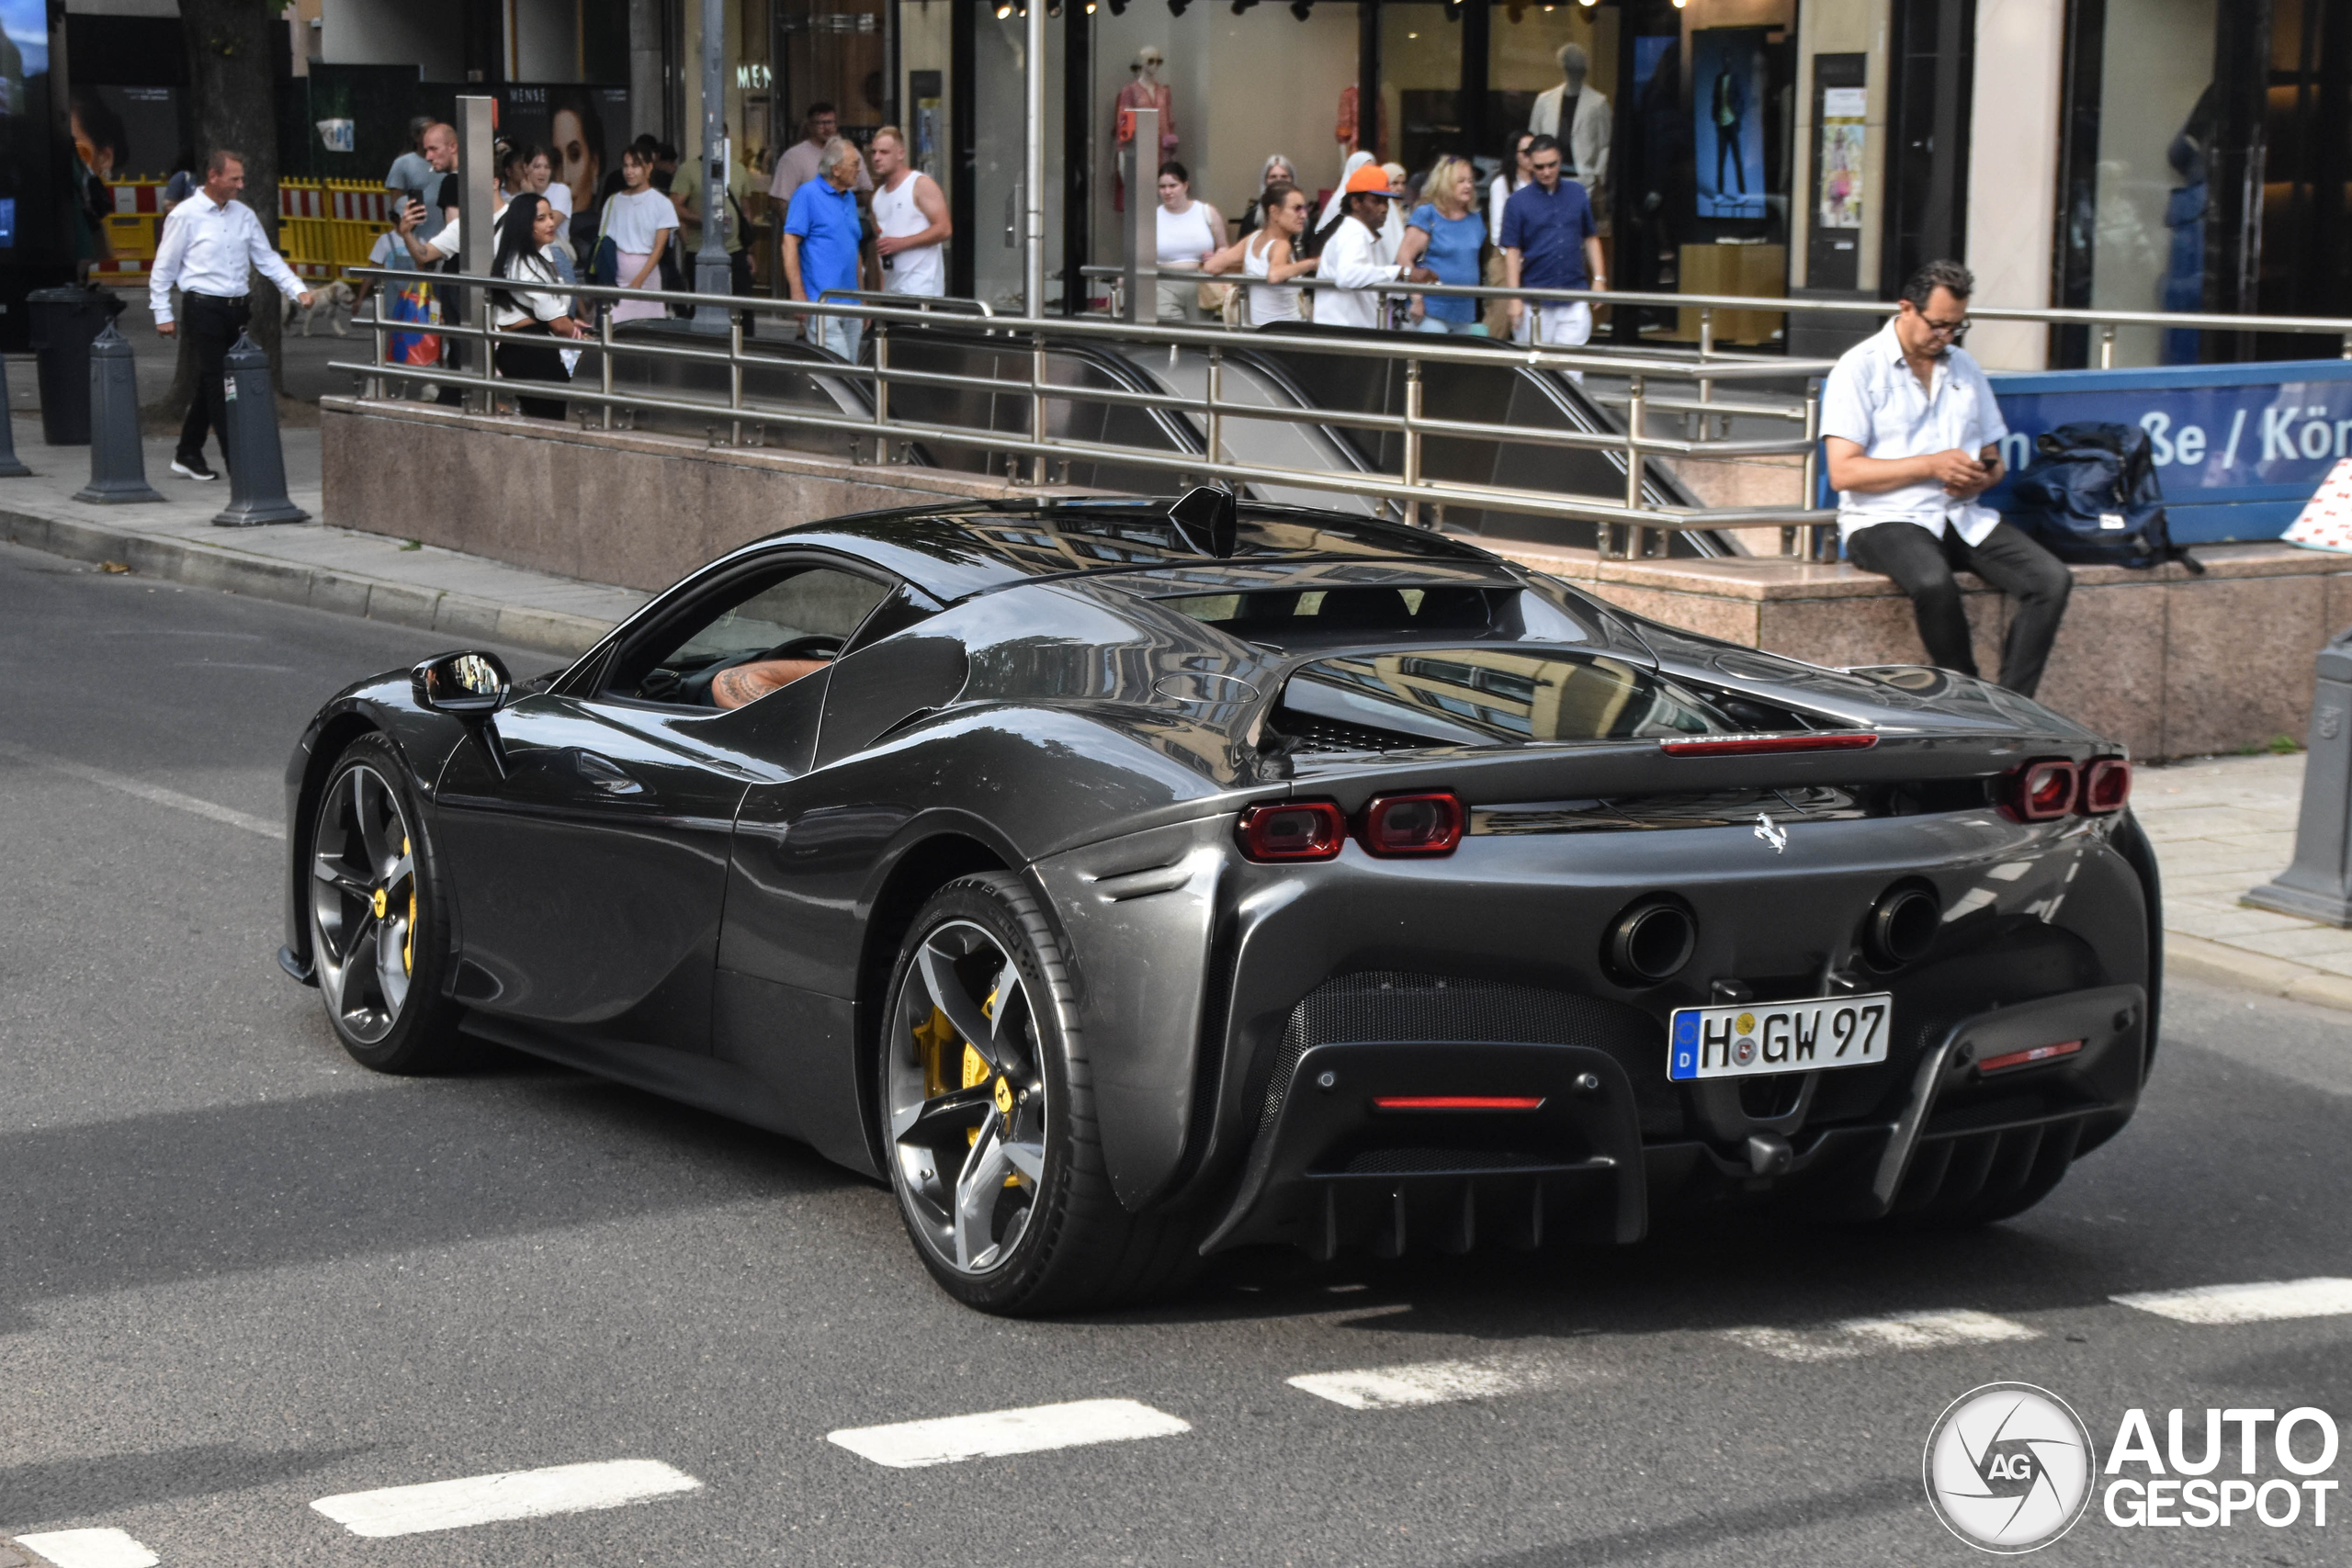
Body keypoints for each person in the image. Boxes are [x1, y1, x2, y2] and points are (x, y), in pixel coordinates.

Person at [1823, 261, 2073, 698]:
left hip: (1959, 513)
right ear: (1906, 309)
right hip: (1882, 518)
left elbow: (1994, 458)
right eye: (1938, 325)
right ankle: (1969, 698)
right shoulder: (1858, 368)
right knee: (1933, 583)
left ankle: (2014, 704)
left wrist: (1981, 476)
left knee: (2051, 580)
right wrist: (1930, 465)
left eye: (1957, 326)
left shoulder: (1963, 367)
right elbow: (1844, 471)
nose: (1947, 336)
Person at [149, 149, 313, 482]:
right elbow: (164, 267)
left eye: (241, 178)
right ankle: (236, 462)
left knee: (214, 381)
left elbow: (266, 258)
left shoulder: (243, 215)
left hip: (236, 307)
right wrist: (161, 311)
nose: (240, 185)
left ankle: (188, 452)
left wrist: (296, 288)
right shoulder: (185, 215)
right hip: (203, 306)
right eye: (234, 178)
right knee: (221, 385)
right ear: (213, 176)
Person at [1499, 134, 1606, 351]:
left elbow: (1591, 238)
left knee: (1571, 369)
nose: (1546, 172)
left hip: (1573, 293)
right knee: (1536, 369)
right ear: (1529, 163)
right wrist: (1514, 298)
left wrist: (1599, 278)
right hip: (1534, 298)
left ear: (1560, 160)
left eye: (1552, 165)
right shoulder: (1517, 202)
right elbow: (1512, 251)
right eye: (1540, 167)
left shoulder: (1577, 193)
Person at [489, 193, 582, 422]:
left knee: (546, 420)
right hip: (531, 353)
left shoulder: (533, 257)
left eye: (550, 216)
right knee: (555, 421)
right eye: (541, 219)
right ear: (524, 223)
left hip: (528, 349)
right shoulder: (524, 264)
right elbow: (559, 324)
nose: (551, 223)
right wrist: (582, 337)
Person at [1316, 162, 1435, 330]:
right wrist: (1403, 272)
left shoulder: (1366, 235)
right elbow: (1348, 275)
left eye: (1386, 201)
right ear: (1356, 203)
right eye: (1376, 201)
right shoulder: (1353, 234)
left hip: (1354, 334)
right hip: (1343, 335)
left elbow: (1372, 281)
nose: (1384, 208)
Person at [784, 137, 867, 359]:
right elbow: (789, 242)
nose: (860, 169)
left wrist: (863, 298)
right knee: (839, 370)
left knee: (850, 368)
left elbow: (854, 250)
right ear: (836, 169)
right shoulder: (807, 194)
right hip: (822, 301)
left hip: (852, 301)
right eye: (855, 164)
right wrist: (797, 293)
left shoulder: (849, 198)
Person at [1206, 179, 1316, 327]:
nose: (1303, 215)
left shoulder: (1252, 240)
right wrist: (1312, 263)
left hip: (1256, 331)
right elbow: (1274, 275)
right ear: (1274, 212)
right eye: (1297, 209)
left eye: (1305, 208)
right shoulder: (1281, 244)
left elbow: (1212, 266)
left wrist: (1247, 269)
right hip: (1285, 334)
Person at [1399, 155, 1484, 335]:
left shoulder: (1475, 218)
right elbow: (1403, 258)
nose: (1468, 186)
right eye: (1461, 181)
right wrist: (1416, 298)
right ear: (1445, 184)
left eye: (1470, 181)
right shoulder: (1427, 214)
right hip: (1430, 310)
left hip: (1464, 313)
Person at [868, 124, 949, 299]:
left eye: (884, 152)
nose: (876, 158)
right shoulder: (878, 197)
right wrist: (882, 291)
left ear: (900, 154)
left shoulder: (920, 184)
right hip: (892, 289)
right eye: (873, 152)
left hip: (921, 289)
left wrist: (901, 243)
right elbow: (881, 246)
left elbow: (944, 229)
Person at [1529, 43, 1611, 214]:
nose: (1574, 72)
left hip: (1583, 178)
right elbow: (1534, 137)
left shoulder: (1598, 102)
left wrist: (1597, 175)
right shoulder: (1544, 100)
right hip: (1547, 175)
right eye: (1570, 67)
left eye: (1577, 68)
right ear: (1563, 67)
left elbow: (1606, 143)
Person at [601, 143, 677, 321]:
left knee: (647, 333)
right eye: (626, 166)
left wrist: (638, 281)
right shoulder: (613, 201)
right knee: (614, 331)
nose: (629, 171)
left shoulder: (662, 203)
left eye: (635, 166)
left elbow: (659, 248)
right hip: (616, 279)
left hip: (647, 279)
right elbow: (604, 242)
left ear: (649, 167)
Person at [1152, 161, 1224, 322]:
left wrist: (1216, 258)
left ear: (1185, 186)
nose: (1167, 191)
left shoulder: (1207, 212)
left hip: (1201, 286)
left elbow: (1224, 247)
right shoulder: (1152, 217)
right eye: (1162, 187)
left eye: (1173, 185)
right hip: (1164, 285)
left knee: (1199, 336)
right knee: (1170, 333)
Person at [769, 102, 871, 209]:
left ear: (836, 125)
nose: (826, 128)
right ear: (810, 126)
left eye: (830, 122)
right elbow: (779, 200)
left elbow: (867, 190)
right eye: (820, 123)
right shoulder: (793, 157)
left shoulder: (851, 153)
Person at [1487, 130, 1535, 248]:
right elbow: (1497, 230)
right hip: (1509, 255)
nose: (1533, 155)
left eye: (1536, 149)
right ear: (1514, 154)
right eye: (1527, 152)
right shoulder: (1501, 184)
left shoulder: (1542, 182)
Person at [1235, 153, 1297, 240]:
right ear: (1265, 181)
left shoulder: (1302, 218)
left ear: (1292, 180)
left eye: (1284, 177)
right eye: (1273, 177)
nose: (1278, 181)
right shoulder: (1252, 218)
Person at [386, 117, 436, 203]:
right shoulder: (402, 163)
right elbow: (396, 200)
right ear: (416, 136)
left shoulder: (446, 162)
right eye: (429, 132)